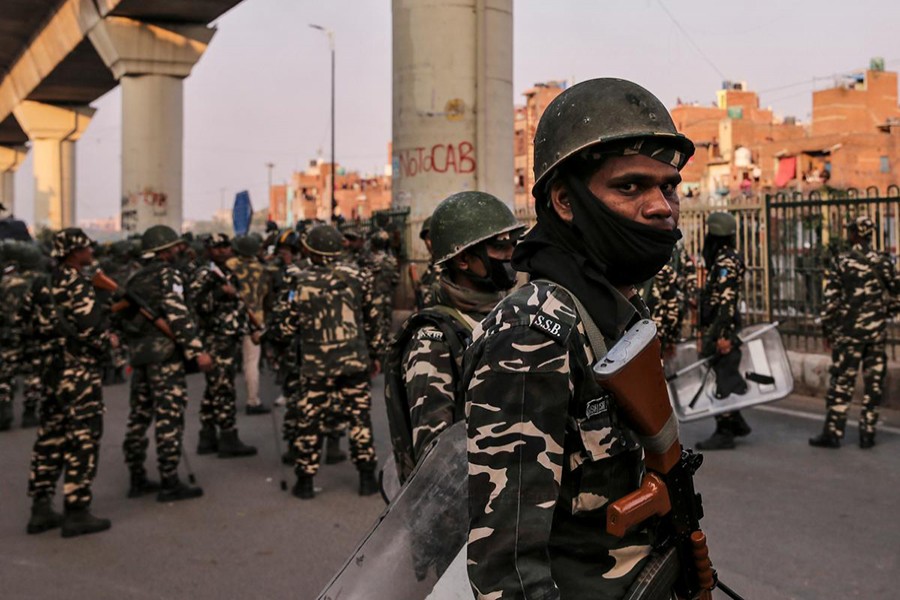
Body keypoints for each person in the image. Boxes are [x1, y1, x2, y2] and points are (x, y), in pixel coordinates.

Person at [464, 78, 695, 599]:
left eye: (669, 187)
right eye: (630, 186)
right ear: (565, 202)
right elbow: (508, 570)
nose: (661, 207)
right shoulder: (534, 330)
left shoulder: (615, 310)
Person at [386, 191, 523, 481]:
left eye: (513, 244)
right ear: (463, 260)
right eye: (499, 247)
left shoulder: (511, 313)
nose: (511, 254)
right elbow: (436, 461)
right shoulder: (432, 339)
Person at [269, 224, 384, 499]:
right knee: (359, 418)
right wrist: (376, 354)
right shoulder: (360, 276)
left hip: (315, 365)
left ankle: (305, 482)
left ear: (312, 249)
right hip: (354, 362)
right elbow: (373, 320)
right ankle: (366, 478)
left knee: (309, 419)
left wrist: (277, 342)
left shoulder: (300, 281)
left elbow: (285, 328)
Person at [26, 229, 114, 537]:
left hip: (49, 371)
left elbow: (26, 324)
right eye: (86, 248)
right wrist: (108, 344)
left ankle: (40, 507)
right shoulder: (79, 284)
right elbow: (91, 331)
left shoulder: (40, 284)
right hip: (78, 372)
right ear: (75, 252)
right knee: (83, 437)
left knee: (49, 436)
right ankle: (76, 510)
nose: (90, 252)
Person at [121, 225, 212, 501]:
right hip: (165, 357)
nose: (178, 251)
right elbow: (177, 313)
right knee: (169, 418)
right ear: (163, 250)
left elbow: (126, 320)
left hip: (140, 357)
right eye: (174, 247)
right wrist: (197, 349)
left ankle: (136, 476)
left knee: (139, 417)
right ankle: (169, 480)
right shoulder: (168, 274)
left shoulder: (136, 279)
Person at [810, 215, 900, 449]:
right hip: (876, 333)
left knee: (842, 382)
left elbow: (831, 301)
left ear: (854, 234)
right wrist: (884, 312)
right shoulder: (884, 261)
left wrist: (827, 330)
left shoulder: (842, 261)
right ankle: (868, 433)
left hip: (848, 334)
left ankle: (833, 432)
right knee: (874, 385)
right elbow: (897, 292)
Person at [189, 233, 259, 458]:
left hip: (230, 335)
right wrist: (220, 292)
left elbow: (238, 304)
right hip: (215, 337)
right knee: (224, 388)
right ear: (207, 250)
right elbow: (197, 305)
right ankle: (228, 436)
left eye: (225, 246)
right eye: (216, 247)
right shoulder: (204, 274)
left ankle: (207, 435)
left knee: (214, 388)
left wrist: (251, 327)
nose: (222, 251)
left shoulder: (227, 273)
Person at [695, 212, 751, 451]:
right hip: (718, 325)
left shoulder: (726, 261)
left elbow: (727, 301)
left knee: (721, 378)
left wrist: (723, 336)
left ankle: (725, 430)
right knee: (722, 374)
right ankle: (736, 422)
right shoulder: (726, 257)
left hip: (721, 328)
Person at [0, 242, 45, 430]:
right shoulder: (42, 282)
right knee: (33, 372)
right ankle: (29, 412)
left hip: (8, 334)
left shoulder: (5, 282)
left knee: (5, 371)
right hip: (35, 334)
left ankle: (3, 410)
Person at [228, 234, 272, 415]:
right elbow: (267, 295)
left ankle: (223, 399)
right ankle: (253, 400)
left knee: (226, 361)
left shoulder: (230, 265)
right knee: (251, 362)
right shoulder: (263, 269)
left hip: (231, 318)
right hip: (255, 318)